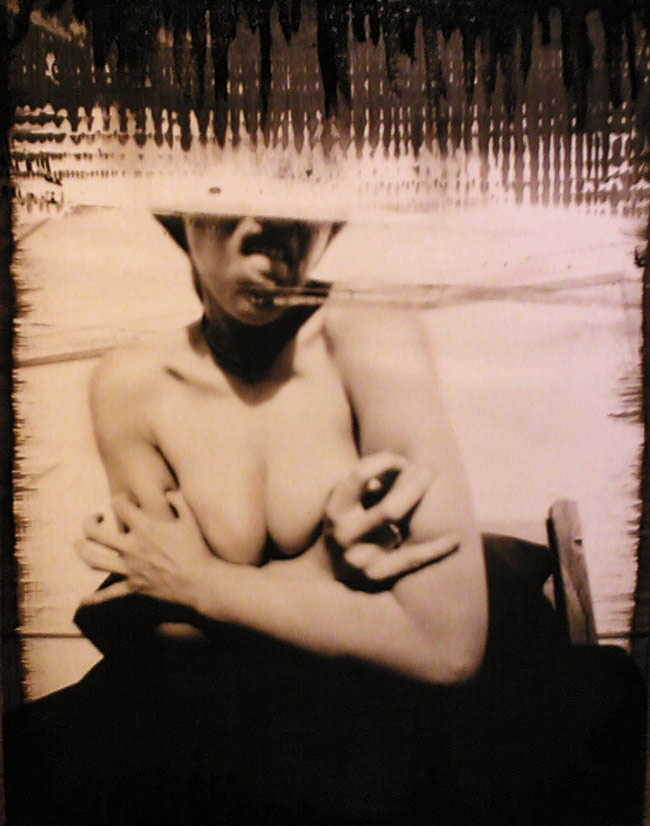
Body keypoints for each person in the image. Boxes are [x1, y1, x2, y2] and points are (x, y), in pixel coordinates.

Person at [4, 201, 646, 826]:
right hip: (241, 723)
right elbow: (165, 647)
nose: (265, 229)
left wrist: (203, 584)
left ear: (330, 219)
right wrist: (330, 574)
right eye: (231, 197)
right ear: (178, 214)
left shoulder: (369, 335)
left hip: (385, 718)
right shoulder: (132, 384)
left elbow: (447, 647)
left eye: (294, 198)